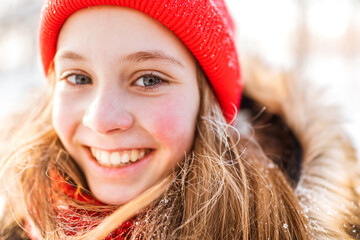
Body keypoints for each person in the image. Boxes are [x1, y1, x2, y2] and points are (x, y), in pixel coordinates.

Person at [0, 0, 359, 239]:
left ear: (210, 105)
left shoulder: (292, 227)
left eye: (149, 79)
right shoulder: (15, 218)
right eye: (78, 78)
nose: (101, 119)